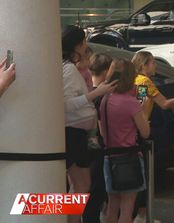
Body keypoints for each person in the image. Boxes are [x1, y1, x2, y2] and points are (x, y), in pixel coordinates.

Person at [131, 51, 174, 223]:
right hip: (142, 131)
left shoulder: (135, 81)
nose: (155, 65)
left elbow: (149, 103)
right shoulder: (145, 81)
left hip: (131, 131)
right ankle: (142, 214)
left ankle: (138, 213)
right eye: (152, 62)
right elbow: (165, 104)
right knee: (144, 174)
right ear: (143, 65)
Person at [62, 25, 116, 223]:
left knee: (78, 185)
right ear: (76, 45)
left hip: (76, 132)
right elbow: (66, 104)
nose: (86, 46)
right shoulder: (68, 69)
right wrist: (97, 93)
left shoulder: (66, 67)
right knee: (81, 185)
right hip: (74, 133)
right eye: (83, 42)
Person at [100, 58, 150, 223]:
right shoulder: (130, 102)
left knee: (112, 206)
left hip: (109, 156)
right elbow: (145, 132)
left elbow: (102, 130)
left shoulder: (105, 99)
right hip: (129, 158)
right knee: (127, 209)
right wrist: (142, 111)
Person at [82, 53, 113, 223]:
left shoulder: (85, 90)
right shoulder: (102, 95)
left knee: (82, 190)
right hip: (99, 148)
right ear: (107, 70)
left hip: (81, 145)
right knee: (96, 192)